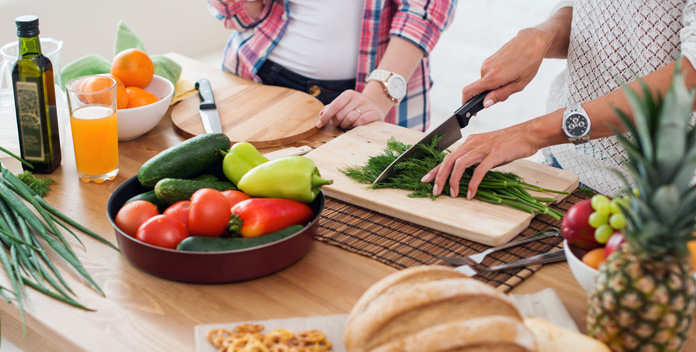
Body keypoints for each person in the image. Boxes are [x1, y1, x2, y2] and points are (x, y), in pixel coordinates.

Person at [422, 1, 696, 198]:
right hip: (565, 167)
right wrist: (543, 35)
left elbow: (691, 78)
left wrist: (531, 133)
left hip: (665, 198)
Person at [207, 0, 457, 133]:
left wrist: (378, 96)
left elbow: (424, 10)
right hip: (258, 75)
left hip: (369, 94)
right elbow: (241, 16)